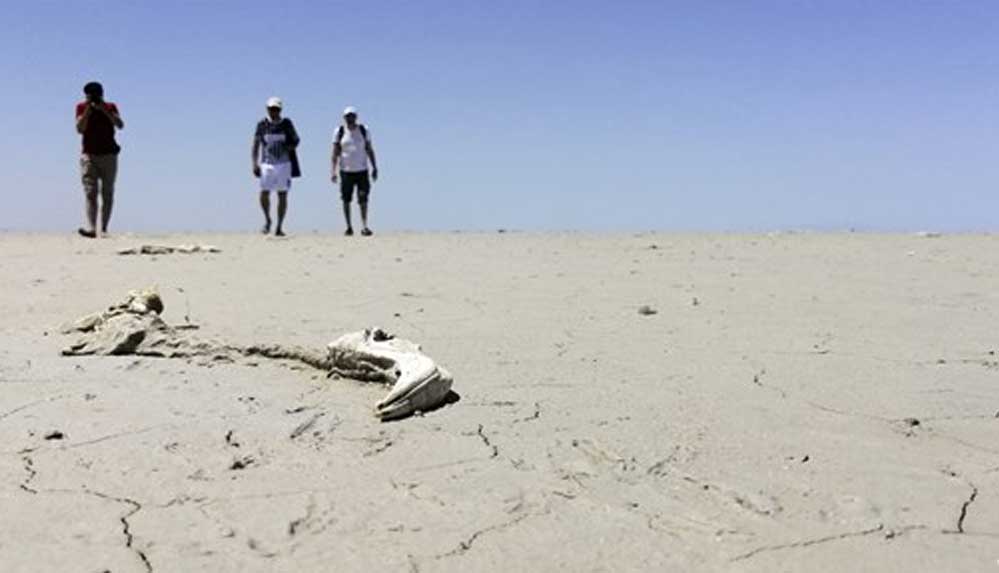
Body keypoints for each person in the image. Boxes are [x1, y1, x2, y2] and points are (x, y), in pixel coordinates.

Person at [75, 81, 124, 238]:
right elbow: (79, 129)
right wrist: (88, 111)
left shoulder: (110, 106)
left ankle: (103, 228)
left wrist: (104, 110)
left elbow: (120, 124)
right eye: (90, 95)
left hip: (109, 155)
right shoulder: (81, 107)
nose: (93, 97)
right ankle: (91, 228)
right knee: (90, 192)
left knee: (107, 192)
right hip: (89, 155)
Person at [252, 97, 300, 236]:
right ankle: (267, 219)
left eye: (276, 109)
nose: (274, 111)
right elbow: (255, 144)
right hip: (267, 163)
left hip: (284, 164)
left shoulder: (286, 124)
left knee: (282, 194)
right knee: (264, 192)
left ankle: (279, 226)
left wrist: (287, 147)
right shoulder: (262, 124)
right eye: (271, 109)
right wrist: (254, 163)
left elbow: (296, 140)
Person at [331, 106, 378, 236]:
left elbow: (369, 149)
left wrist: (374, 167)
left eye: (352, 116)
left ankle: (364, 226)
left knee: (363, 198)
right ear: (344, 117)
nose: (350, 118)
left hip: (362, 170)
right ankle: (348, 226)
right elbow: (335, 152)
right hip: (346, 171)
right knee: (346, 199)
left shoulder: (363, 130)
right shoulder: (339, 131)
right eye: (347, 116)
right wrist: (333, 171)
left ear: (356, 117)